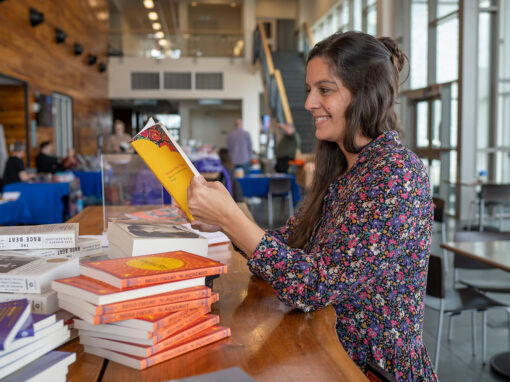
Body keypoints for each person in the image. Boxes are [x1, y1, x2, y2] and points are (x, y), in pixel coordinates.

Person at [186, 31, 436, 381]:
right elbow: (289, 244)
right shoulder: (344, 167)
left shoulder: (397, 174)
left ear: (364, 92)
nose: (308, 104)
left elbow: (315, 286)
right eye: (309, 90)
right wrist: (225, 225)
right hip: (325, 350)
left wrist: (233, 219)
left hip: (370, 371)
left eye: (325, 90)